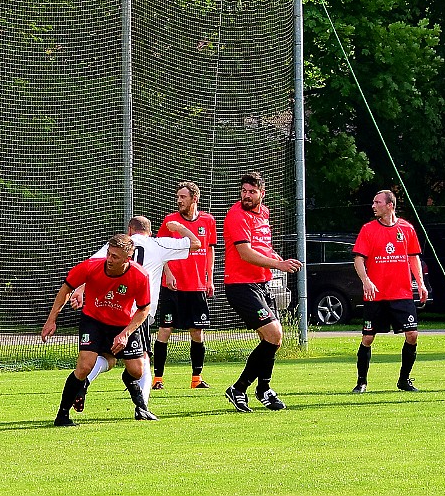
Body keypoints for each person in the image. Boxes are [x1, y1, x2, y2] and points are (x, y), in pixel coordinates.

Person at [69, 216, 199, 412]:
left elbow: (93, 266)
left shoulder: (116, 245)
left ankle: (83, 383)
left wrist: (79, 289)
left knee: (108, 357)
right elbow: (195, 243)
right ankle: (143, 406)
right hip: (139, 312)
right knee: (142, 359)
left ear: (130, 231)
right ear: (150, 231)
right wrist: (179, 227)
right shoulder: (158, 243)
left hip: (109, 309)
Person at [41, 234, 157, 427]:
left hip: (122, 325)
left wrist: (126, 333)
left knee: (137, 371)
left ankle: (134, 393)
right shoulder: (90, 266)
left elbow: (144, 309)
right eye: (109, 254)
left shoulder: (140, 276)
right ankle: (62, 415)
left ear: (128, 258)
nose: (110, 260)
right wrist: (51, 320)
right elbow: (65, 289)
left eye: (115, 257)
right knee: (85, 366)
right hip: (93, 321)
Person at [222, 172, 302, 412]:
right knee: (274, 333)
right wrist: (278, 265)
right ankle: (240, 387)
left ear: (261, 194)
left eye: (252, 192)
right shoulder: (236, 215)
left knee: (273, 340)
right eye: (244, 191)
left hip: (261, 283)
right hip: (240, 285)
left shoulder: (264, 213)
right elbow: (245, 253)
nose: (246, 195)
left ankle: (263, 389)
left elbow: (262, 247)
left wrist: (277, 257)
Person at [350, 190, 428, 393]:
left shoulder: (407, 228)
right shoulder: (368, 229)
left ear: (390, 205)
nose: (373, 205)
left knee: (412, 335)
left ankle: (404, 380)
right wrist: (366, 281)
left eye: (377, 202)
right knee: (368, 338)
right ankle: (361, 382)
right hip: (376, 295)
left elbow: (413, 257)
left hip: (401, 294)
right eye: (373, 202)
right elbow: (358, 259)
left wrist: (420, 283)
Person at [152, 181, 217, 390]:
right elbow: (160, 250)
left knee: (197, 332)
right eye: (178, 197)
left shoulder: (208, 220)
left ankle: (196, 379)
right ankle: (157, 379)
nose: (179, 200)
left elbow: (209, 250)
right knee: (165, 329)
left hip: (197, 286)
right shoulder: (170, 221)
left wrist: (209, 279)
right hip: (173, 286)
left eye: (183, 197)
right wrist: (168, 273)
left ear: (194, 199)